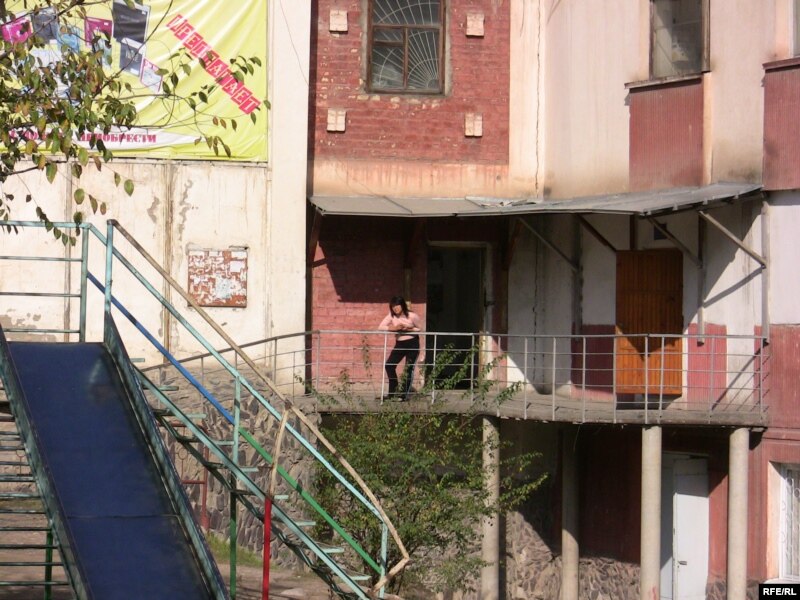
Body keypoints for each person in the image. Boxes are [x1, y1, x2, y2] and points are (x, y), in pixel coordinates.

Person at [378, 296, 423, 401]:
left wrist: (409, 329)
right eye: (393, 306)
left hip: (412, 343)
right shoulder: (391, 315)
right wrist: (393, 328)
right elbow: (380, 327)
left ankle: (403, 395)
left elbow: (420, 329)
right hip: (400, 344)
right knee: (389, 365)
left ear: (402, 305)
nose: (395, 308)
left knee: (408, 368)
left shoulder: (412, 316)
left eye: (397, 305)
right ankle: (392, 393)